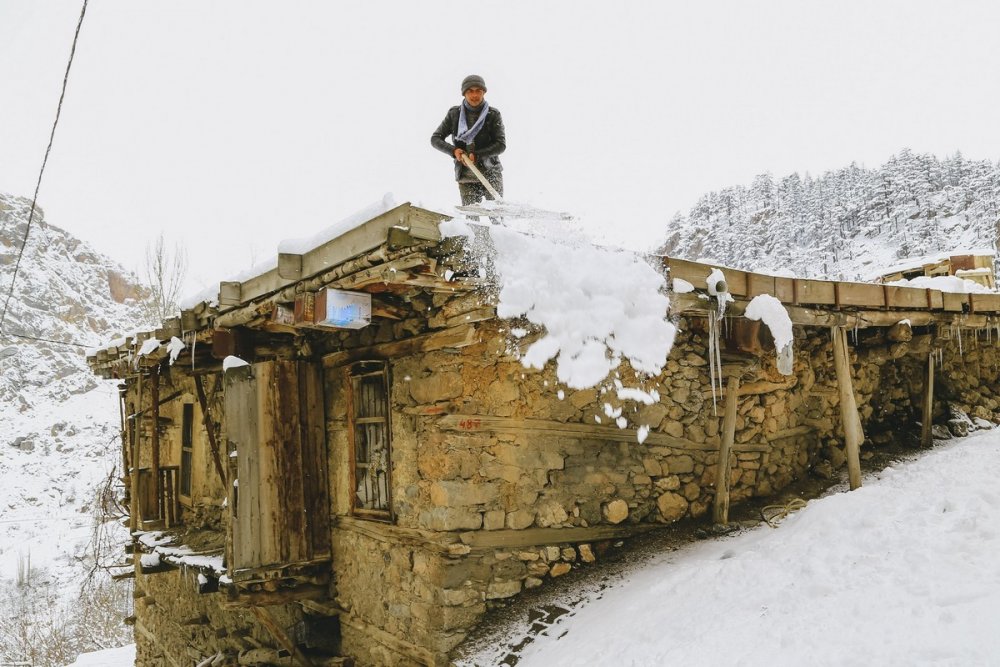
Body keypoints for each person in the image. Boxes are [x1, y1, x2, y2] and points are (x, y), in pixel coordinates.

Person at [431, 74, 506, 206]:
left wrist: (477, 155)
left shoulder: (493, 115)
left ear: (484, 92)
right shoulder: (454, 114)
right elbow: (435, 139)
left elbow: (500, 145)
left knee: (497, 218)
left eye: (478, 91)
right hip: (466, 178)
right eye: (470, 91)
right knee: (472, 221)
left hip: (490, 174)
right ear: (464, 93)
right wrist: (454, 151)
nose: (474, 95)